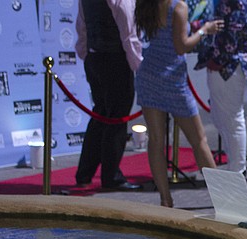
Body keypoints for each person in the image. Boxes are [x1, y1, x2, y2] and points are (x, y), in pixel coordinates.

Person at [134, 0, 222, 207]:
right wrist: (204, 30)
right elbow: (181, 47)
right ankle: (223, 198)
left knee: (156, 140)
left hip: (148, 75)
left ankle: (165, 199)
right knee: (199, 140)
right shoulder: (178, 7)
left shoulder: (146, 4)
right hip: (173, 80)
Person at [75, 0, 143, 191]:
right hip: (116, 60)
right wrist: (139, 66)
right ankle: (111, 176)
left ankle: (85, 173)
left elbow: (82, 26)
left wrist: (86, 54)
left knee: (101, 114)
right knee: (116, 118)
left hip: (95, 58)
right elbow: (129, 34)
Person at [194, 0, 247, 178]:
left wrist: (217, 61)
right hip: (230, 67)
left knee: (232, 120)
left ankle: (237, 170)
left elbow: (231, 37)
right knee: (225, 119)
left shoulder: (236, 4)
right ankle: (236, 167)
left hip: (228, 69)